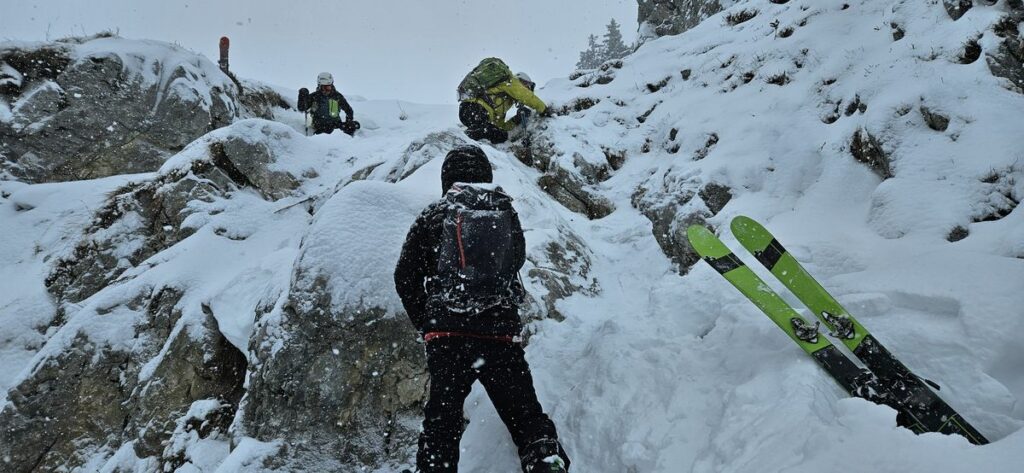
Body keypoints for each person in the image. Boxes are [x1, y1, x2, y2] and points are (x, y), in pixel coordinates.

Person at [394, 145, 570, 473]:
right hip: (499, 331)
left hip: (447, 334)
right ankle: (545, 459)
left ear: (446, 178)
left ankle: (435, 468)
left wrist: (428, 323)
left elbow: (404, 277)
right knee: (525, 413)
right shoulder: (504, 211)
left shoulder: (433, 214)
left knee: (442, 422)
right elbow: (515, 260)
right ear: (486, 175)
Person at [458, 58, 550, 144]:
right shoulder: (510, 82)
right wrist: (544, 109)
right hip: (475, 108)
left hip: (469, 112)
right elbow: (527, 96)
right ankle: (462, 141)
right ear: (522, 82)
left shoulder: (504, 100)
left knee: (500, 135)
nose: (527, 89)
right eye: (527, 86)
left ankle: (465, 140)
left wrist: (516, 119)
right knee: (483, 130)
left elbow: (499, 126)